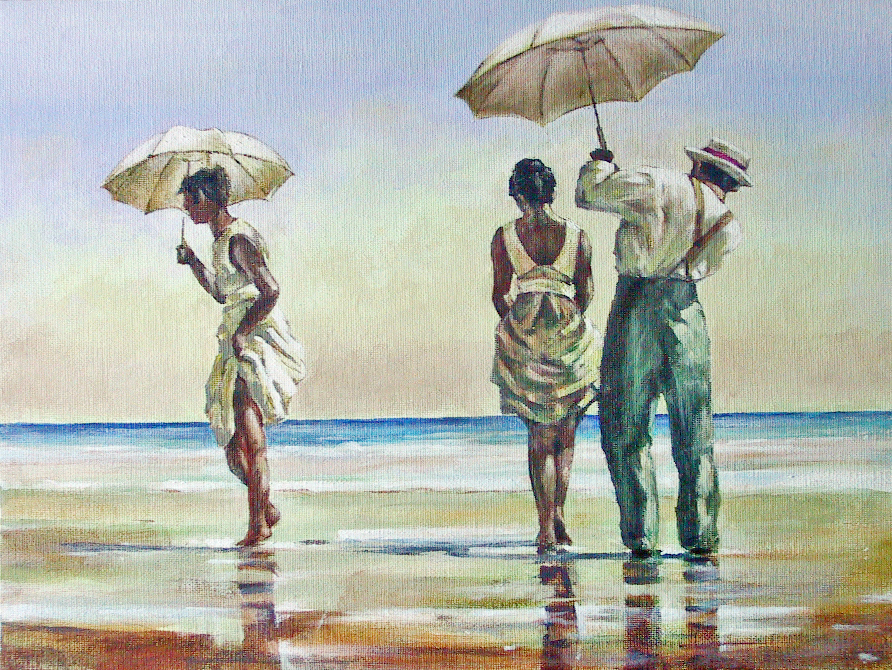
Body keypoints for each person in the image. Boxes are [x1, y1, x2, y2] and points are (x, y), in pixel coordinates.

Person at [575, 138, 752, 558]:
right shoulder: (729, 225)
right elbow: (703, 266)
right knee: (694, 429)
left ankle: (641, 536)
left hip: (636, 304)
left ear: (699, 166)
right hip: (687, 312)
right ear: (728, 183)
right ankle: (700, 536)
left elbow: (589, 195)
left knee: (625, 426)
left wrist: (600, 164)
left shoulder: (659, 183)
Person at [176, 166, 306, 547]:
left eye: (193, 199)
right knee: (234, 450)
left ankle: (258, 527)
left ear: (214, 199)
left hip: (254, 339)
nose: (188, 206)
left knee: (251, 440)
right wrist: (193, 262)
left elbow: (270, 290)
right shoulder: (219, 243)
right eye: (187, 200)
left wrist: (244, 332)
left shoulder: (237, 240)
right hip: (235, 338)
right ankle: (265, 508)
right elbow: (222, 293)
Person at [491, 158, 602, 554]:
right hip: (568, 333)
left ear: (517, 194)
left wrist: (522, 323)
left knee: (539, 437)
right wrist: (562, 317)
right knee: (566, 436)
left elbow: (499, 294)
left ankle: (544, 527)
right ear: (551, 192)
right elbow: (586, 294)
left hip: (527, 333)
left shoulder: (505, 236)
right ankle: (559, 515)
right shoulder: (578, 236)